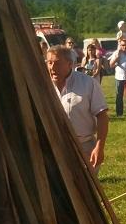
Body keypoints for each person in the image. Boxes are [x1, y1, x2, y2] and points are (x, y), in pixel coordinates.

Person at [46, 45, 109, 173]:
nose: (52, 67)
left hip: (84, 147)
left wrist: (99, 147)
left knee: (85, 184)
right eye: (50, 63)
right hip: (54, 147)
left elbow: (102, 116)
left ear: (70, 64)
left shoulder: (87, 83)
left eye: (57, 63)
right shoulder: (43, 86)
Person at [108, 37, 126, 118]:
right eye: (123, 45)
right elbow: (111, 65)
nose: (125, 47)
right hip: (119, 77)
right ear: (120, 45)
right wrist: (117, 57)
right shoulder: (116, 53)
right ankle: (119, 113)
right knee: (119, 96)